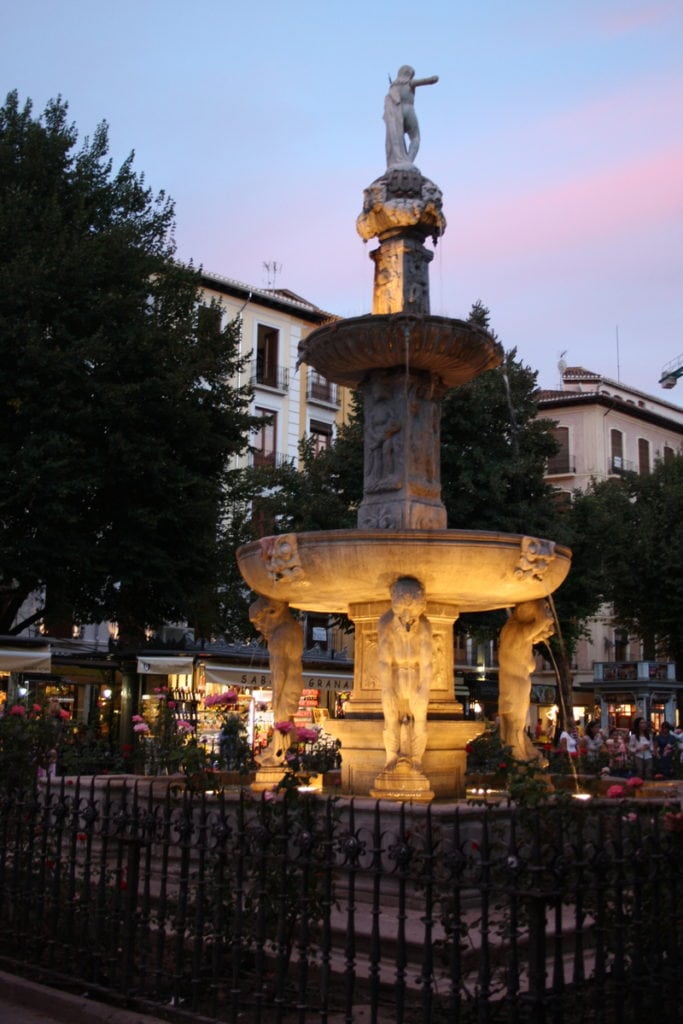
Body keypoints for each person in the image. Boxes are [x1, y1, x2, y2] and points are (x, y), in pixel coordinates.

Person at [377, 576, 432, 773]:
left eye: (413, 613)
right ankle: (391, 756)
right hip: (395, 679)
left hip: (416, 679)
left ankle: (417, 759)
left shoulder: (424, 625)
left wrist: (424, 689)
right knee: (390, 717)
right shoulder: (386, 624)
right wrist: (388, 689)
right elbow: (384, 661)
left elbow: (426, 664)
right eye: (404, 613)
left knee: (421, 718)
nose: (409, 618)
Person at [249, 595, 304, 766]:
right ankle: (279, 751)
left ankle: (278, 756)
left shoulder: (279, 636)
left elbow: (279, 671)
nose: (258, 627)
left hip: (286, 684)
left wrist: (276, 697)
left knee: (281, 720)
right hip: (294, 681)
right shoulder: (294, 628)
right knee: (285, 722)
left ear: (271, 613)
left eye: (259, 621)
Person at [497, 600, 554, 762]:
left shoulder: (513, 631)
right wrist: (543, 609)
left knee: (516, 724)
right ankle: (518, 758)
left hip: (514, 682)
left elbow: (534, 635)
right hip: (515, 684)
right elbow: (543, 621)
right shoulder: (516, 630)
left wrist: (542, 632)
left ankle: (519, 753)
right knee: (515, 723)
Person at [383, 66, 439, 168]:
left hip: (397, 112)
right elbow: (430, 80)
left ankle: (401, 159)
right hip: (408, 110)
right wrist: (434, 78)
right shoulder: (409, 82)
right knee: (415, 137)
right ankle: (408, 160)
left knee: (398, 136)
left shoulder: (393, 86)